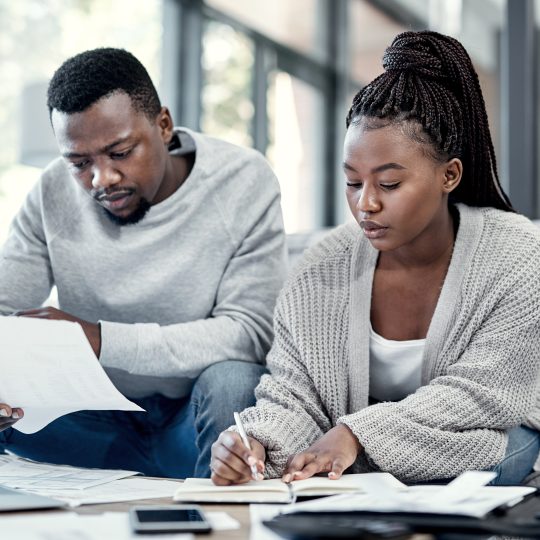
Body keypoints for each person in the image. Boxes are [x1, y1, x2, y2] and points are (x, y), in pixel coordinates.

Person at [210, 30, 540, 486]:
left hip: (481, 438)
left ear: (450, 174)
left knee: (499, 451)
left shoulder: (518, 255)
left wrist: (355, 435)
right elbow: (294, 394)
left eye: (388, 185)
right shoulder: (320, 268)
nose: (366, 204)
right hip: (350, 456)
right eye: (352, 182)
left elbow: (485, 395)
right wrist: (259, 442)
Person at [0, 48, 287, 478]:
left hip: (192, 423)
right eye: (80, 163)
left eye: (119, 152)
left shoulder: (241, 180)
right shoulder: (52, 193)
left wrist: (100, 340)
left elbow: (248, 333)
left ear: (164, 126)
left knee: (235, 381)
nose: (101, 179)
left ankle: (231, 511)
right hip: (88, 421)